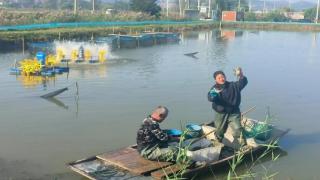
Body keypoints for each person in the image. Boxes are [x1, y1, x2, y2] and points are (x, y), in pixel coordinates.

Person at [207, 67, 248, 148]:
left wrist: (241, 75)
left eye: (223, 77)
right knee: (219, 130)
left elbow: (243, 82)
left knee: (237, 128)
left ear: (225, 77)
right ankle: (218, 141)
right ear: (215, 80)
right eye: (219, 78)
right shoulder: (214, 88)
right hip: (221, 113)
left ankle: (244, 145)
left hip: (234, 112)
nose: (221, 79)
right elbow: (210, 98)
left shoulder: (233, 85)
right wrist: (214, 93)